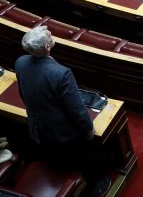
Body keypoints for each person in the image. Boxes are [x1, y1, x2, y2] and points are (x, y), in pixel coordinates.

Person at [15, 26, 111, 197]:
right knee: (84, 156)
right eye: (48, 35)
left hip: (37, 126)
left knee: (58, 156)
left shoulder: (21, 62)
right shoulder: (61, 73)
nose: (50, 33)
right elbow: (76, 109)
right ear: (47, 47)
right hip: (63, 132)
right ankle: (95, 186)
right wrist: (88, 129)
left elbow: (22, 93)